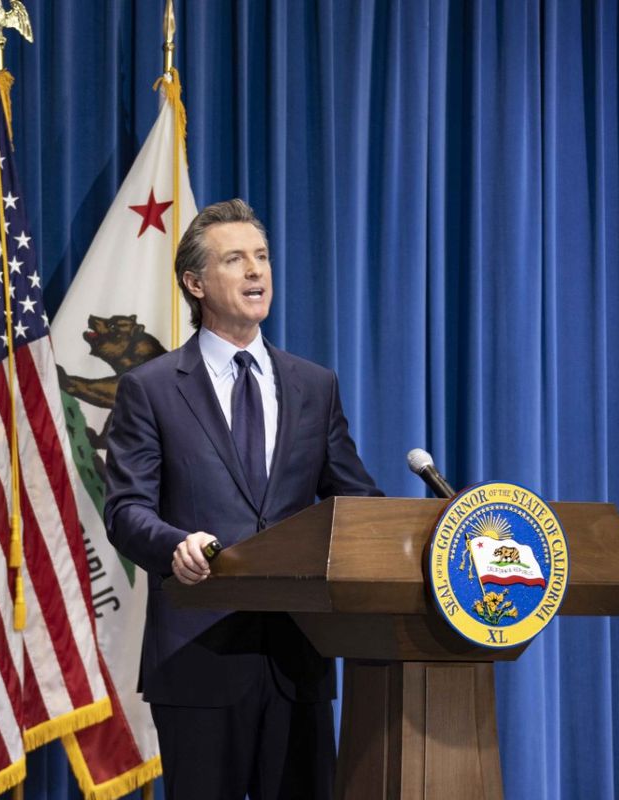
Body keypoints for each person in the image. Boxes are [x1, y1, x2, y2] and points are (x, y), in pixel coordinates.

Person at [104, 198, 382, 799]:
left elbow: (355, 503)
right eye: (235, 259)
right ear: (195, 282)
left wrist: (423, 528)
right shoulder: (149, 390)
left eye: (261, 257)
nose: (256, 271)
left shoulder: (314, 385)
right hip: (199, 656)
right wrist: (176, 545)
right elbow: (126, 511)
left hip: (297, 658)